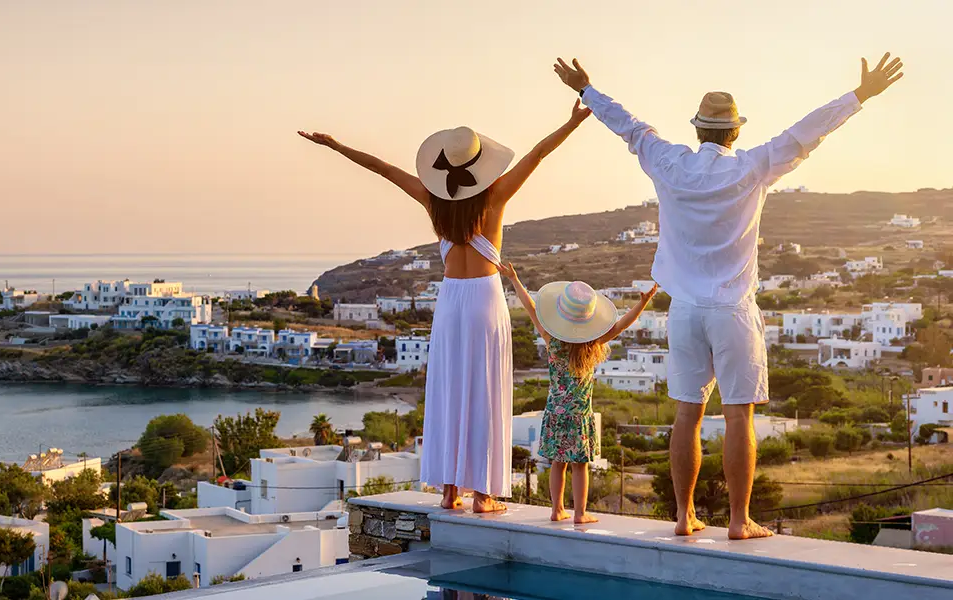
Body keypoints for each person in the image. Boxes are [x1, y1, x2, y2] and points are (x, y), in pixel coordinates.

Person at [553, 53, 904, 539]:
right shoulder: (753, 167)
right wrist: (859, 96)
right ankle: (739, 521)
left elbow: (630, 127)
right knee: (739, 416)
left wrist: (586, 89)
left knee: (686, 413)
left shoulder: (669, 162)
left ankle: (683, 515)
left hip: (685, 310)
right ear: (734, 132)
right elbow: (806, 133)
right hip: (733, 310)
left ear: (698, 130)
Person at [299, 100, 592, 512]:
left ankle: (450, 492)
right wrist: (572, 122)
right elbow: (538, 153)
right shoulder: (497, 194)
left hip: (451, 299)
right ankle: (485, 495)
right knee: (485, 391)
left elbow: (382, 168)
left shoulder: (434, 201)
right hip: (486, 298)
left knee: (450, 391)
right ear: (480, 166)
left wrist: (336, 146)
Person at [501, 263, 657, 523]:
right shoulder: (591, 345)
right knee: (579, 465)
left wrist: (515, 278)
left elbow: (531, 308)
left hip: (555, 412)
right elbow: (620, 326)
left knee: (557, 463)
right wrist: (642, 304)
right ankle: (581, 513)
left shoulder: (552, 341)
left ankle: (556, 510)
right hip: (579, 416)